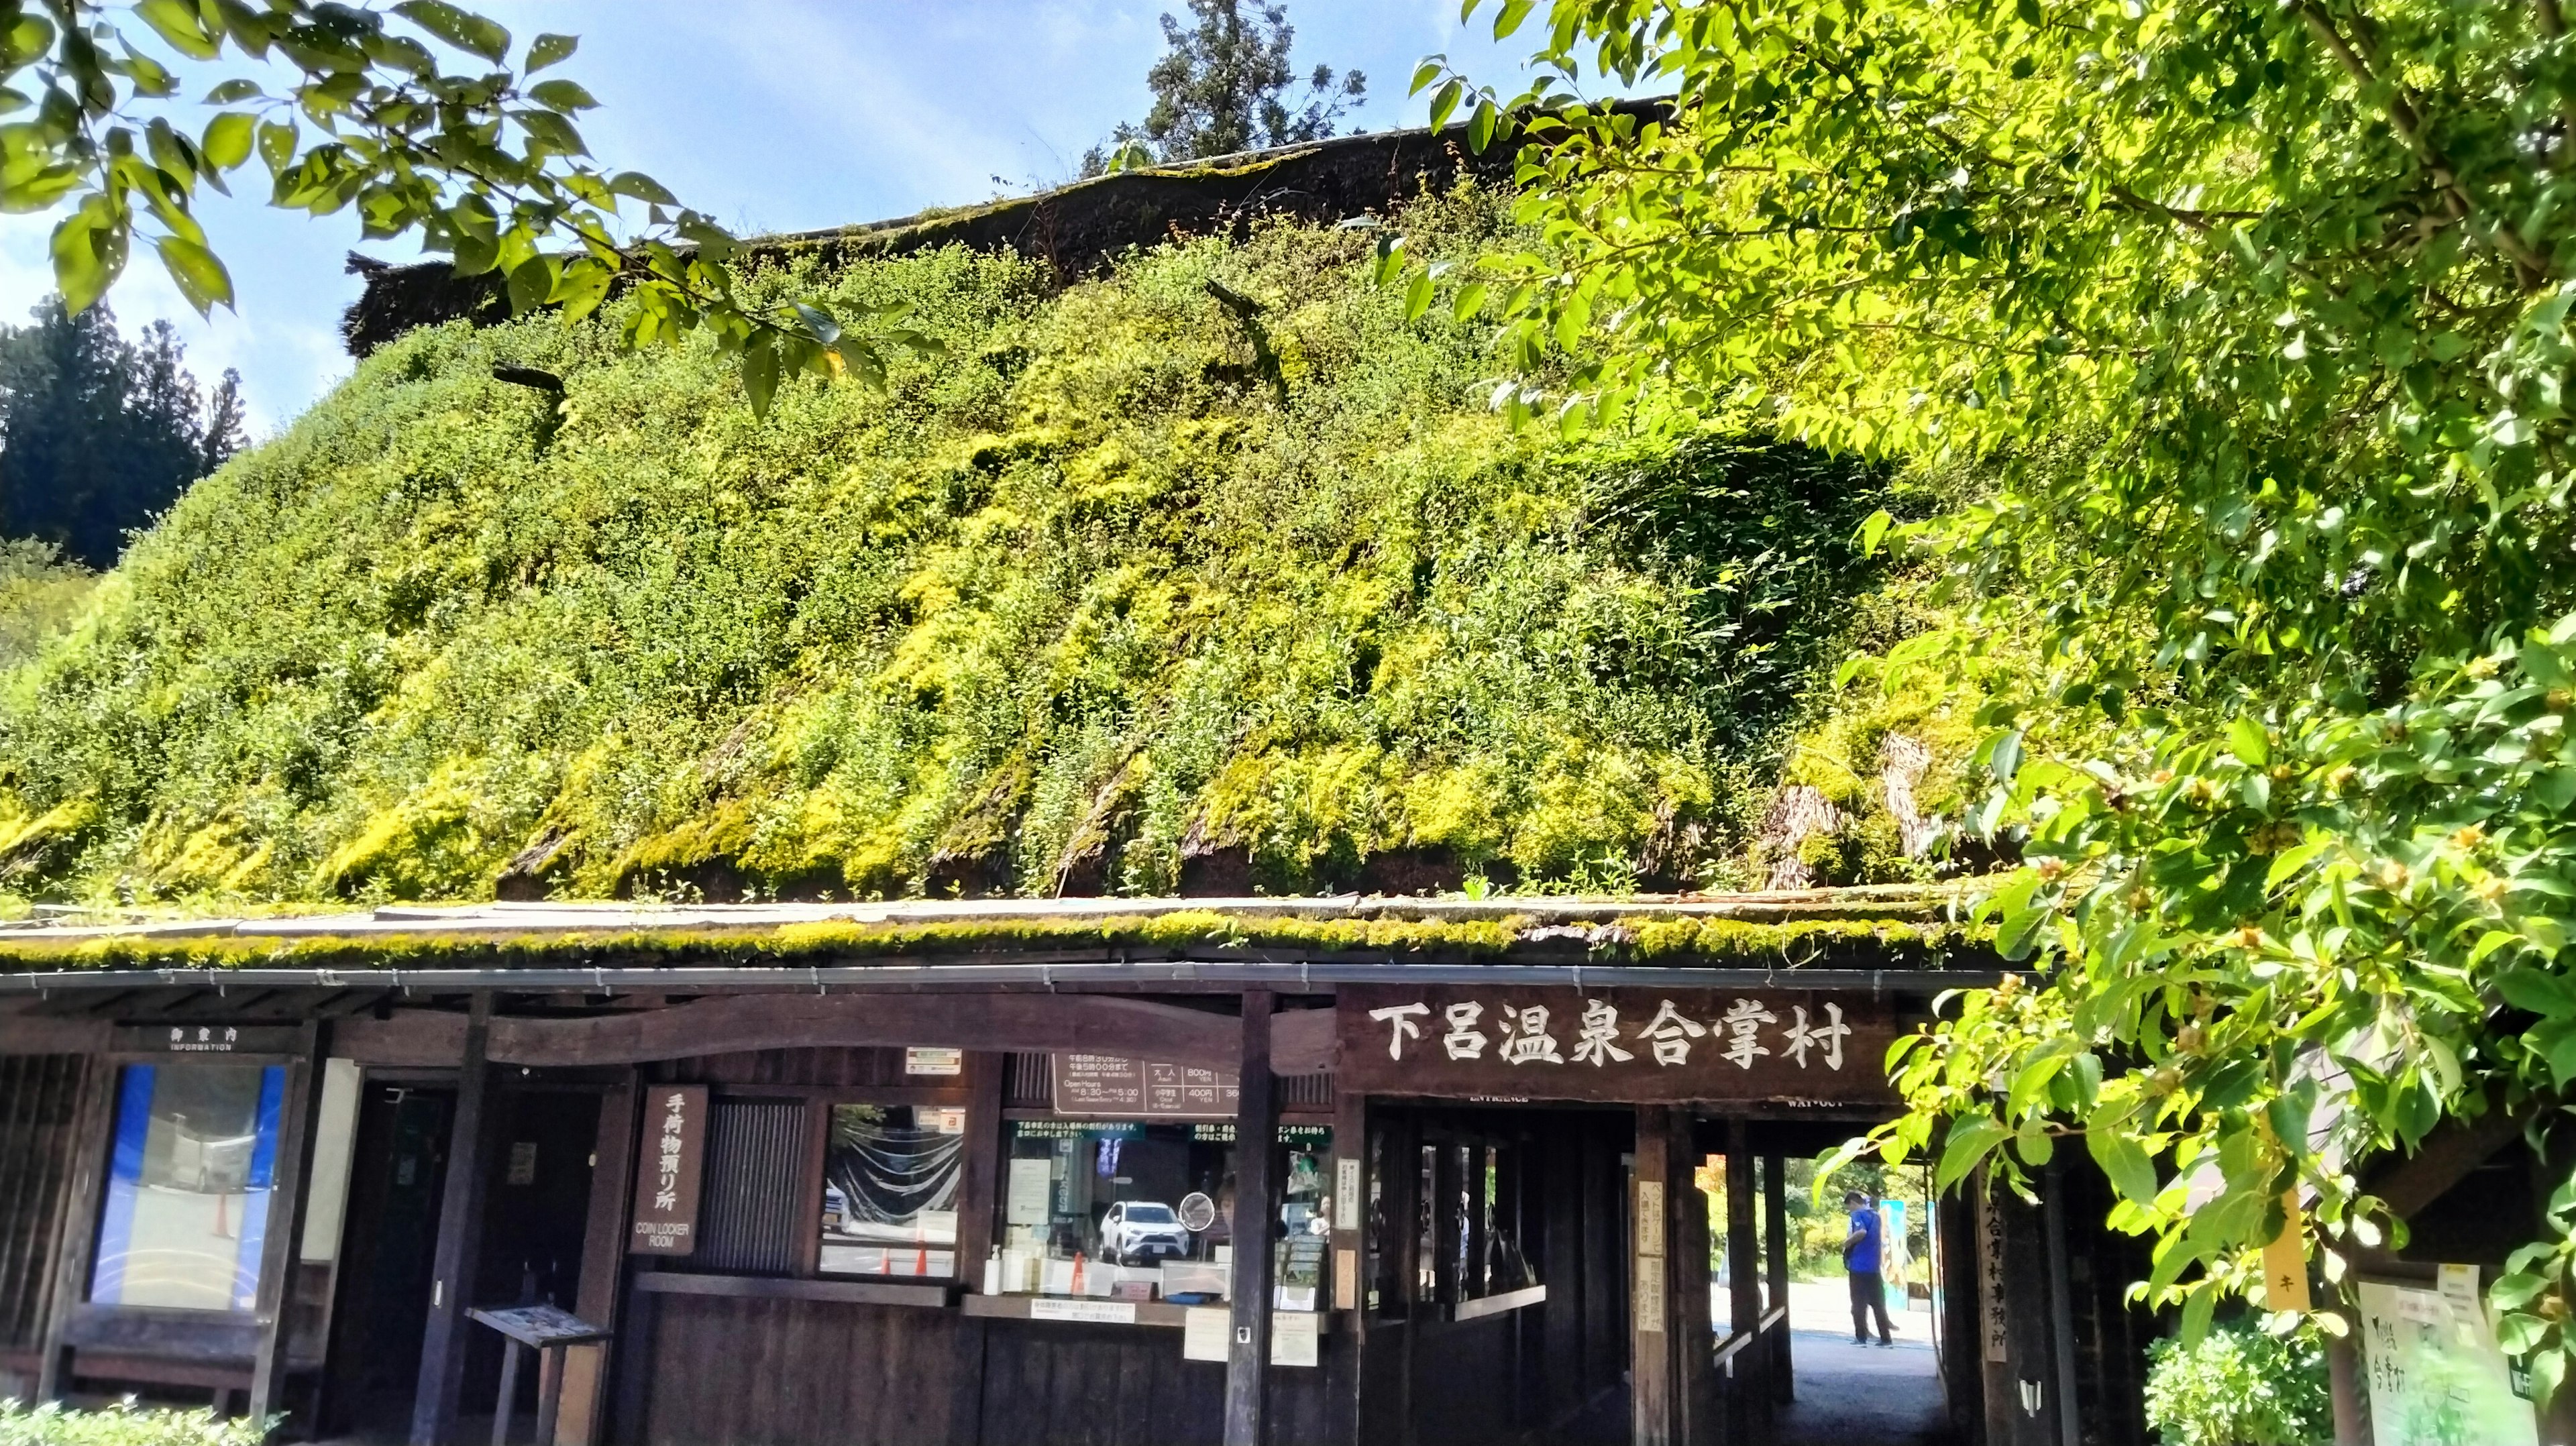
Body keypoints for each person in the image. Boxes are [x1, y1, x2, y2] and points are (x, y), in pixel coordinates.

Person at [1843, 1188, 1896, 1346]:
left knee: (1858, 1304)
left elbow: (1861, 1232)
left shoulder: (1857, 1215)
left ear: (1853, 1202)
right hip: (1874, 1266)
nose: (1849, 1210)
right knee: (1879, 1304)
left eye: (1849, 1207)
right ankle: (1886, 1338)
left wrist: (1847, 1243)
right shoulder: (1876, 1216)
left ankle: (1861, 1337)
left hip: (1859, 1266)